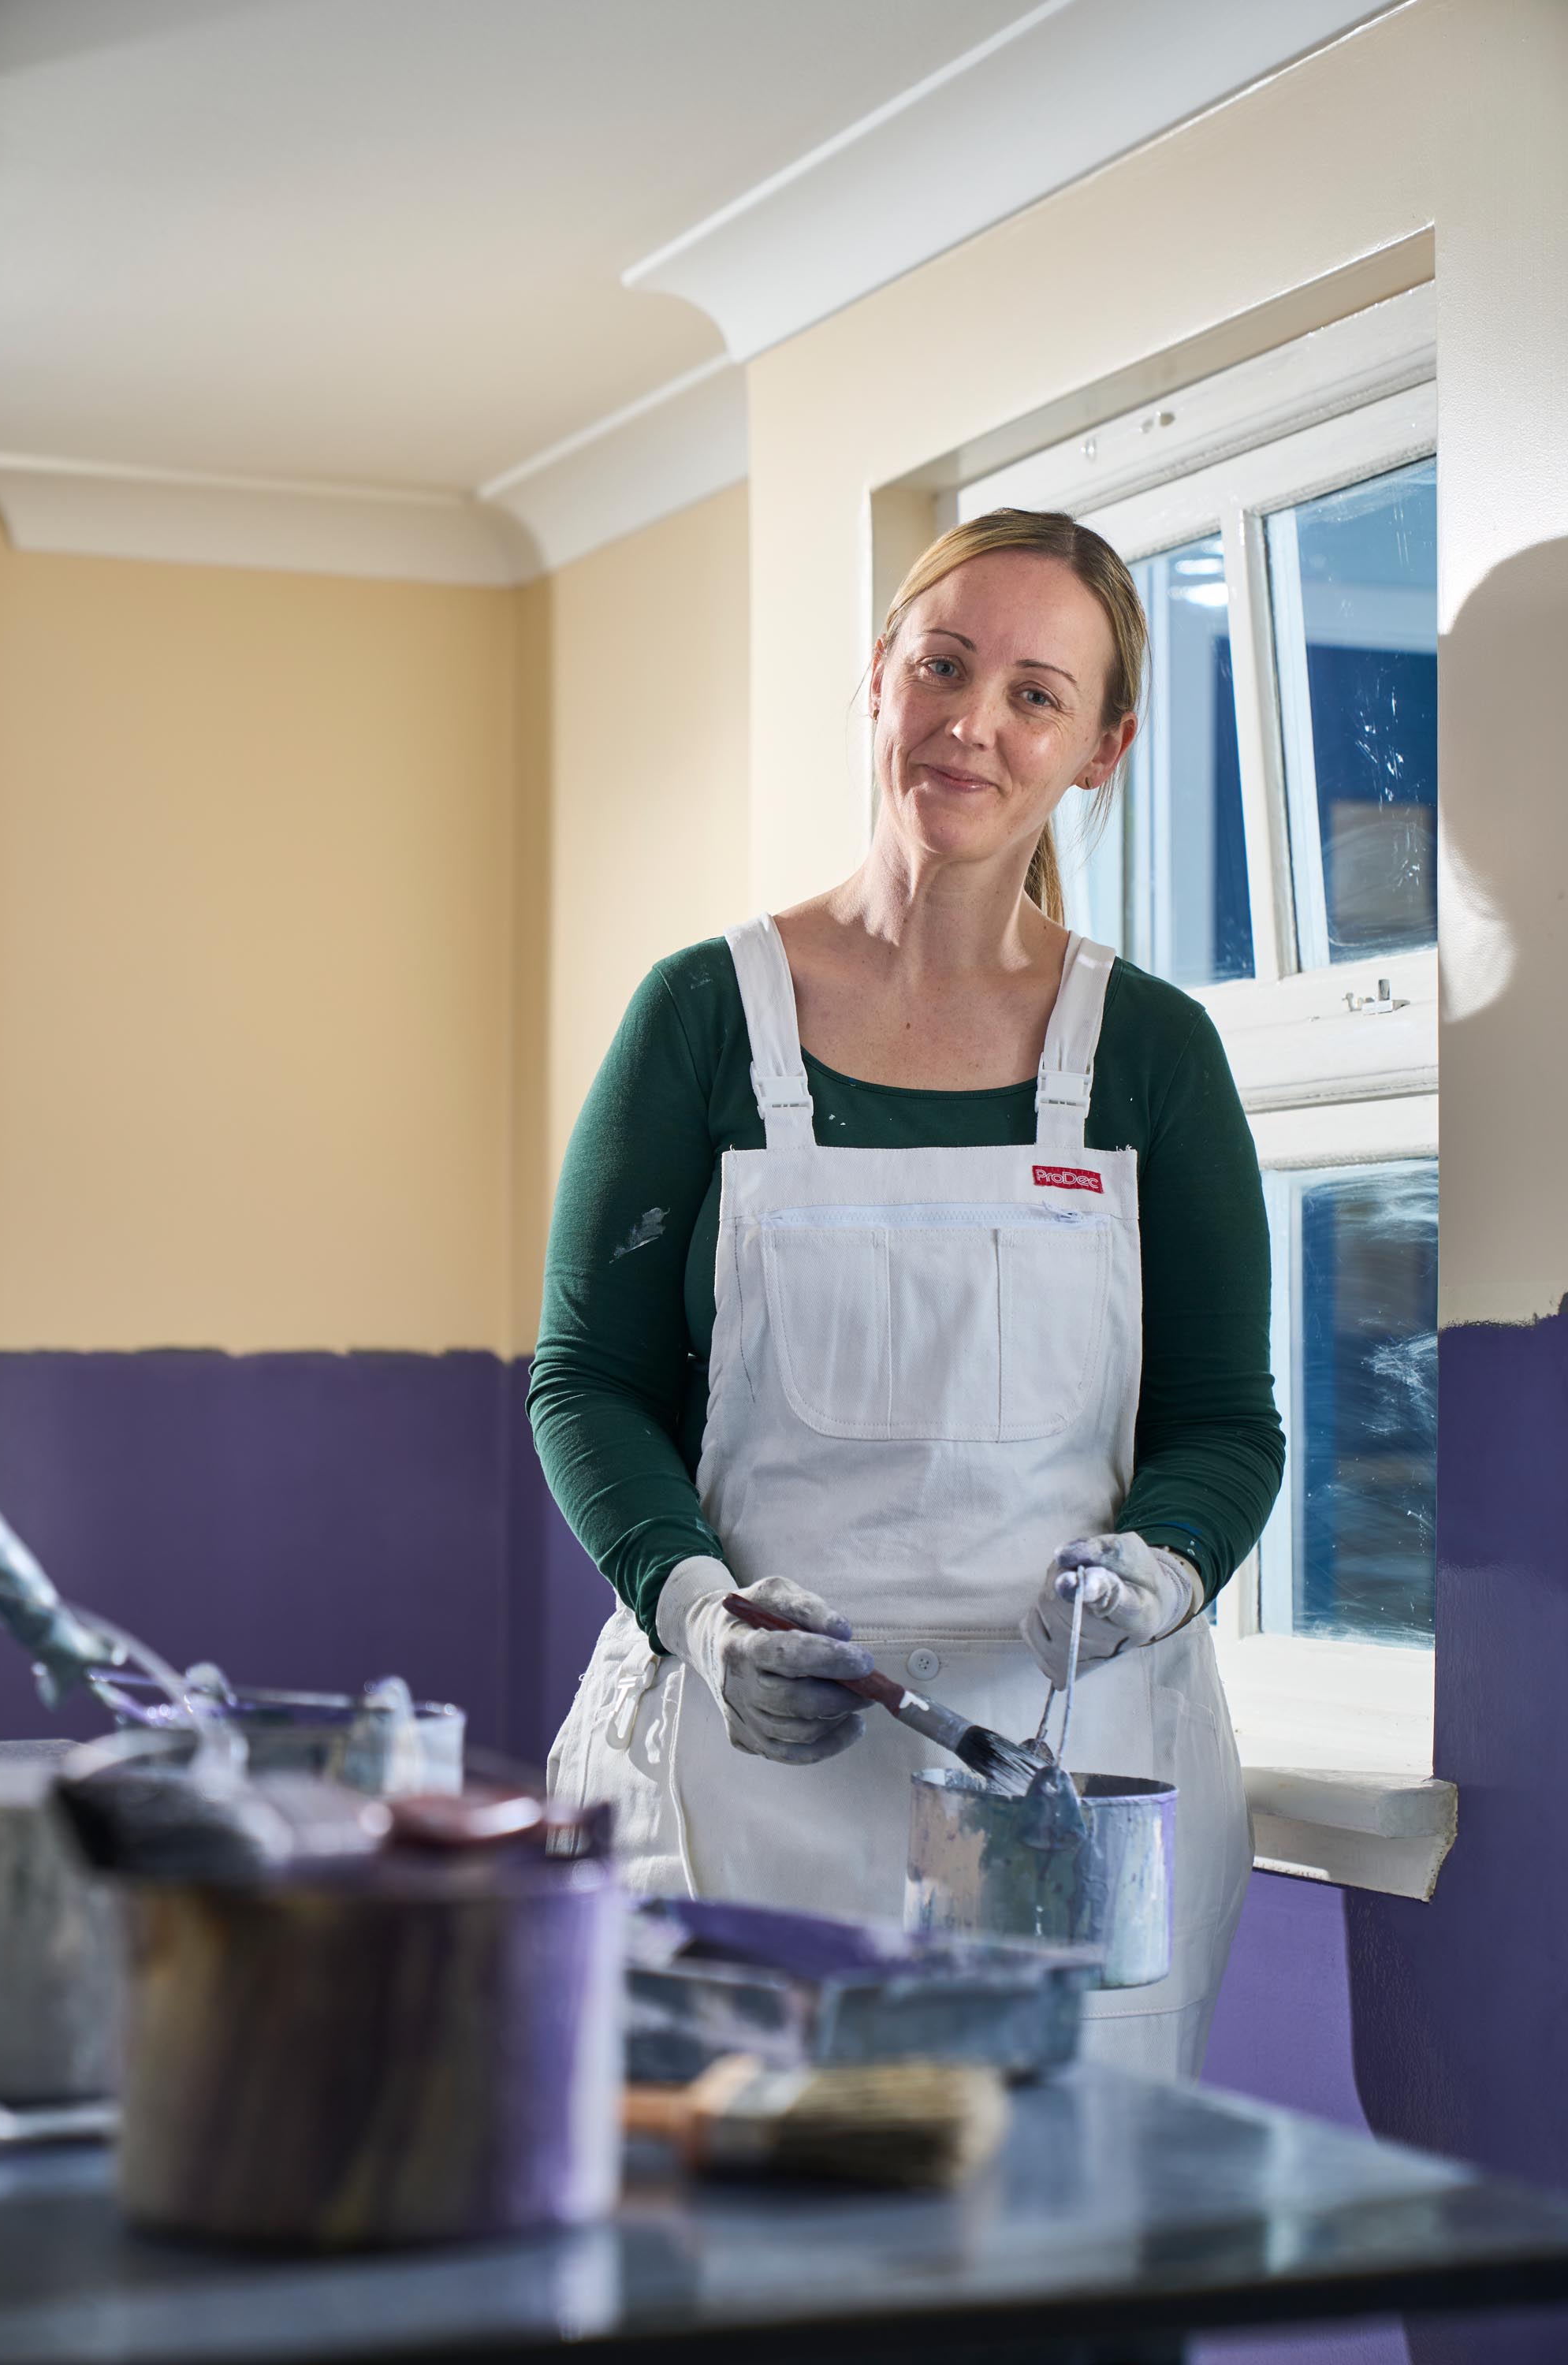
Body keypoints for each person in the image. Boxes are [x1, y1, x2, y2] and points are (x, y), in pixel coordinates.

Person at [532, 508, 1283, 2077]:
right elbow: (588, 1380)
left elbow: (1224, 1421)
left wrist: (1160, 1570)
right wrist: (697, 1612)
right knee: (732, 2215)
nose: (971, 722)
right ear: (878, 678)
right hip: (738, 1781)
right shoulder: (704, 1017)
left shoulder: (1149, 1053)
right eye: (942, 666)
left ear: (1102, 748)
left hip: (1069, 1794)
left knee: (1061, 2217)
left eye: (1034, 694)